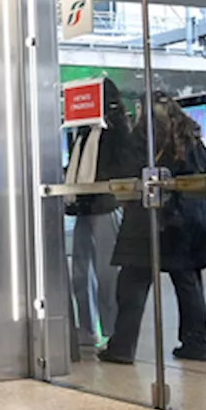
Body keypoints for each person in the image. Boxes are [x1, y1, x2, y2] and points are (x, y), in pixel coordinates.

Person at [100, 95, 206, 364]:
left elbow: (127, 176)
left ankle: (123, 347)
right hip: (190, 221)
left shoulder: (142, 140)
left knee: (133, 282)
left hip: (148, 221)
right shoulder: (192, 141)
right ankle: (197, 344)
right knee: (188, 284)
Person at [64, 78, 131, 349]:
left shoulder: (116, 130)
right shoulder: (81, 132)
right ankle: (87, 328)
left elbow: (123, 165)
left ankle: (113, 331)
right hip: (84, 206)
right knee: (80, 272)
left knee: (107, 273)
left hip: (106, 205)